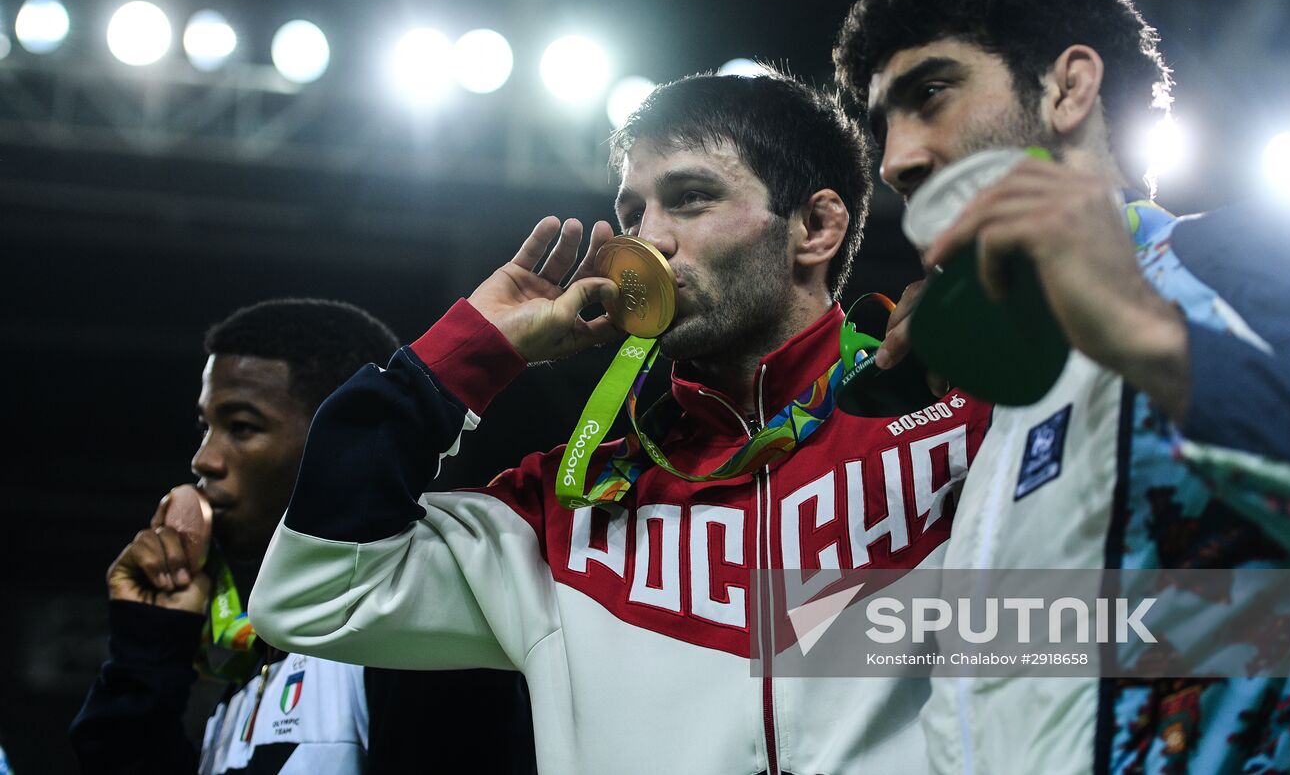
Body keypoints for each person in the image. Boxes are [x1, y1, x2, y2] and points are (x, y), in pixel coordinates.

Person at [247, 73, 996, 774]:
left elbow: (1100, 633)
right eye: (633, 210)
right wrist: (472, 347)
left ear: (817, 227)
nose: (648, 241)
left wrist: (1036, 341)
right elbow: (310, 594)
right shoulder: (563, 514)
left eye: (691, 198)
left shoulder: (957, 436)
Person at [833, 0, 1290, 774]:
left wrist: (1145, 331)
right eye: (883, 126)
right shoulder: (1007, 407)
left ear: (1068, 88)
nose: (896, 159)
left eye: (931, 93)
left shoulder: (1249, 255)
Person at [70, 299, 533, 774]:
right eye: (206, 427)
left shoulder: (419, 640)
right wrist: (147, 651)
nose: (203, 460)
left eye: (242, 426)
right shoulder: (251, 671)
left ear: (331, 440)